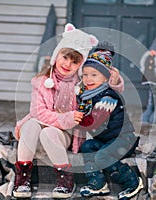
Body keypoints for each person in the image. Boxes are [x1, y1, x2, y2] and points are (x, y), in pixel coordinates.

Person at [13, 23, 124, 199]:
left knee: (48, 132)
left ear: (81, 64)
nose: (68, 64)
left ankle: (65, 179)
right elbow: (38, 113)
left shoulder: (82, 84)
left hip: (61, 136)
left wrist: (114, 82)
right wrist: (68, 117)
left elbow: (105, 93)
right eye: (65, 57)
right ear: (57, 55)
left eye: (75, 61)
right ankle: (22, 177)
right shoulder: (42, 81)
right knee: (30, 125)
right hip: (38, 132)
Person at [74, 49, 144, 199]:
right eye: (85, 74)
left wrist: (74, 118)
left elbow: (93, 122)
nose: (88, 79)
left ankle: (132, 182)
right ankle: (98, 183)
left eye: (94, 75)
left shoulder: (108, 97)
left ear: (105, 78)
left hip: (124, 139)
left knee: (101, 157)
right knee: (87, 147)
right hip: (106, 139)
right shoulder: (87, 96)